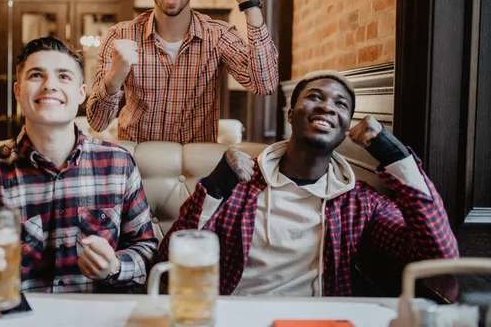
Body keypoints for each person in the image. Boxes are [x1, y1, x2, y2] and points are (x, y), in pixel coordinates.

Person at [0, 36, 158, 301]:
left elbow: (147, 249)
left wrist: (115, 266)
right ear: (18, 91)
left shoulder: (118, 164)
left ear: (81, 94)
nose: (50, 85)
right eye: (36, 75)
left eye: (64, 77)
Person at [159, 70, 459, 296]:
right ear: (291, 114)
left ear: (344, 130)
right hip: (235, 315)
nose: (328, 107)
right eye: (315, 97)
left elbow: (439, 256)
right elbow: (167, 262)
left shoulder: (358, 201)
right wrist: (215, 187)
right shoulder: (239, 184)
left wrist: (395, 156)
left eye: (340, 105)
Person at [86, 0, 279, 144]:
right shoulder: (119, 36)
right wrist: (115, 76)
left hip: (195, 168)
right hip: (138, 166)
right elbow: (97, 123)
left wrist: (250, 5)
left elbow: (265, 85)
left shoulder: (218, 35)